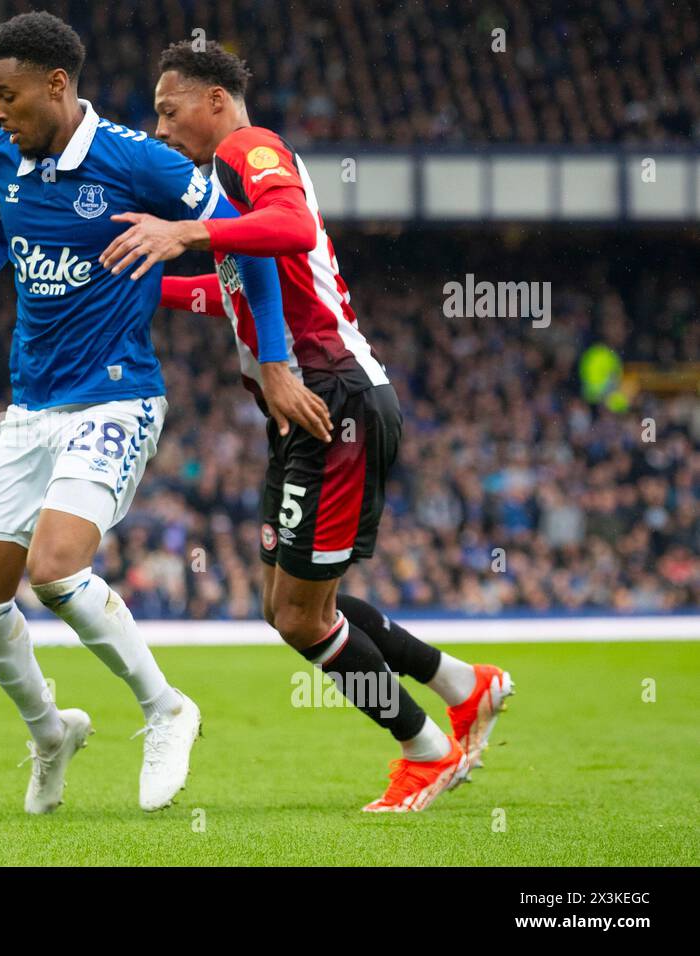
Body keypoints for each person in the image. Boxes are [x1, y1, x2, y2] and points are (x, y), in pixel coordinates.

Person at [0, 12, 291, 814]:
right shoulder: (2, 155)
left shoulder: (139, 162)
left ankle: (166, 707)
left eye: (8, 96)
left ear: (57, 86)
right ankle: (50, 732)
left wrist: (271, 364)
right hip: (32, 405)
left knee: (57, 566)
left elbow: (246, 241)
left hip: (118, 393)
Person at [99, 41, 514, 812]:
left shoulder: (248, 149)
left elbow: (288, 224)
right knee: (288, 607)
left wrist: (185, 235)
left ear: (215, 102)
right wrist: (143, 279)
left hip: (333, 401)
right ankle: (465, 684)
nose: (158, 128)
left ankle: (425, 749)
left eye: (168, 108)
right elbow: (231, 293)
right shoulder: (223, 194)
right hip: (305, 411)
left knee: (299, 615)